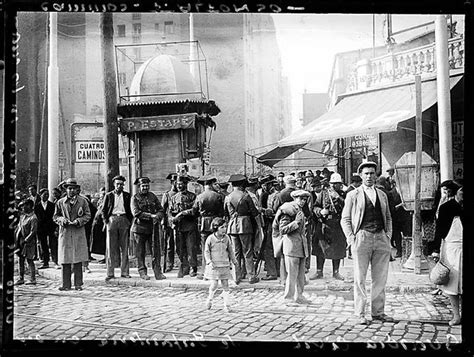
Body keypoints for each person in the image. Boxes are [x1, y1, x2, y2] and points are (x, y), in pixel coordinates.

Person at [340, 162, 393, 325]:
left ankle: (378, 312)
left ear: (376, 175)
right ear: (361, 176)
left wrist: (388, 236)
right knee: (360, 278)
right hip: (362, 237)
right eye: (366, 174)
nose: (369, 176)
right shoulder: (353, 195)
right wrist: (351, 237)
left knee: (380, 278)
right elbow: (345, 219)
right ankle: (360, 313)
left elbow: (388, 218)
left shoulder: (382, 194)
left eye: (372, 173)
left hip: (381, 238)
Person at [427, 180, 463, 326]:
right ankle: (456, 315)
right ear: (456, 192)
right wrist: (435, 250)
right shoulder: (446, 207)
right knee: (453, 283)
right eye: (462, 192)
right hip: (452, 249)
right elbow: (439, 230)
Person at [181, 175, 224, 279]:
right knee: (218, 247)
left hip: (204, 224)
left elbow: (194, 212)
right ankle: (218, 272)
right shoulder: (218, 196)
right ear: (211, 185)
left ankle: (206, 272)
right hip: (216, 223)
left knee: (206, 248)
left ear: (204, 186)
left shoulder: (199, 197)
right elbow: (222, 211)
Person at [53, 178, 91, 291]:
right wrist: (62, 220)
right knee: (65, 259)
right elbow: (55, 216)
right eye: (69, 188)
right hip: (65, 232)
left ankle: (78, 284)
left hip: (78, 232)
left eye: (73, 188)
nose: (71, 191)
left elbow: (88, 215)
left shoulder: (83, 201)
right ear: (66, 190)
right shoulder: (60, 202)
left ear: (77, 190)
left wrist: (79, 221)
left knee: (78, 258)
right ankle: (66, 284)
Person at [277, 190, 311, 305]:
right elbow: (282, 229)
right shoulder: (287, 210)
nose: (302, 201)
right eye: (300, 199)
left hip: (300, 245)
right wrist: (295, 222)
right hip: (291, 246)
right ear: (294, 198)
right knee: (291, 275)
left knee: (300, 275)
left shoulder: (299, 210)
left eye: (304, 200)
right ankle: (288, 297)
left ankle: (299, 296)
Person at [224, 174, 260, 284]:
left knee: (235, 252)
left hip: (232, 226)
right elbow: (254, 212)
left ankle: (236, 276)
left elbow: (225, 213)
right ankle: (251, 276)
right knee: (248, 252)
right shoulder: (246, 196)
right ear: (241, 185)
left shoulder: (228, 197)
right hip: (245, 225)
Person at [313, 173, 347, 280]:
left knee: (337, 249)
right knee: (320, 249)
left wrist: (338, 197)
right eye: (332, 184)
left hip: (337, 225)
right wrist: (320, 211)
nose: (334, 186)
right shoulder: (323, 193)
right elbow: (315, 207)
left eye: (336, 184)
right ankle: (319, 271)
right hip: (324, 224)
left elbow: (347, 206)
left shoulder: (343, 194)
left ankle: (336, 272)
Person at [131, 177, 165, 280]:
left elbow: (160, 209)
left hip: (152, 228)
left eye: (147, 186)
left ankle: (157, 272)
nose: (145, 188)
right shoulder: (135, 198)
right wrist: (151, 216)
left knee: (155, 251)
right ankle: (142, 272)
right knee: (140, 252)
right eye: (143, 186)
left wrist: (158, 216)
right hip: (139, 228)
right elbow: (136, 212)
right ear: (139, 187)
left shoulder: (152, 196)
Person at [102, 175, 133, 281]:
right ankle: (110, 273)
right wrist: (106, 221)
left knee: (125, 247)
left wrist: (129, 221)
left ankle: (125, 272)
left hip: (124, 219)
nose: (119, 186)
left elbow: (130, 209)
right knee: (110, 247)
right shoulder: (109, 195)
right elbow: (103, 210)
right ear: (114, 184)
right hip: (112, 220)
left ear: (124, 185)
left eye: (121, 184)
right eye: (117, 184)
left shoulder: (127, 196)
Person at [204, 218, 238, 312]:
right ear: (216, 228)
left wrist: (234, 260)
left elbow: (230, 250)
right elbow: (207, 251)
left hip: (224, 265)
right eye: (222, 227)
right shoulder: (210, 239)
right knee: (214, 284)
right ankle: (210, 299)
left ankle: (226, 304)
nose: (224, 229)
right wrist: (209, 261)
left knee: (225, 284)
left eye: (225, 227)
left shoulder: (227, 238)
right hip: (214, 266)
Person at [170, 175, 198, 278]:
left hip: (190, 225)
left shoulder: (192, 196)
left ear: (186, 184)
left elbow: (194, 211)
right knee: (180, 249)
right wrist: (171, 219)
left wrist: (182, 213)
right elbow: (170, 211)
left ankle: (192, 268)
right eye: (177, 184)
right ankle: (184, 267)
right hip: (178, 227)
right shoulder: (173, 198)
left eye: (181, 184)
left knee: (191, 248)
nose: (179, 186)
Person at [14, 199, 38, 285]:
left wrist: (26, 240)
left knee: (30, 260)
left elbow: (33, 231)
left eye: (25, 206)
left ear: (30, 206)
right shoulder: (23, 217)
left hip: (29, 243)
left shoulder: (33, 218)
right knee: (20, 259)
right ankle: (21, 278)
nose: (23, 208)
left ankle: (33, 279)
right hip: (20, 242)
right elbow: (19, 228)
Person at [34, 188, 57, 269]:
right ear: (40, 195)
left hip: (51, 228)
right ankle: (45, 262)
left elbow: (55, 217)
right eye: (44, 194)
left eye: (47, 194)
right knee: (43, 246)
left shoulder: (52, 205)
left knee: (53, 245)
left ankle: (55, 261)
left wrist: (55, 229)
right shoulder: (36, 206)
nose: (46, 196)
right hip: (41, 229)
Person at [161, 173, 179, 273]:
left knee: (180, 244)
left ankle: (182, 264)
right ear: (172, 183)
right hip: (169, 223)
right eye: (175, 182)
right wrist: (163, 222)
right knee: (169, 245)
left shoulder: (182, 194)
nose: (177, 184)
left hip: (180, 223)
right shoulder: (167, 195)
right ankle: (169, 264)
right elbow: (162, 210)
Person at [90, 187, 107, 264]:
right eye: (101, 194)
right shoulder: (99, 202)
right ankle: (103, 256)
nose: (102, 196)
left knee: (104, 241)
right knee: (98, 241)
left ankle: (106, 257)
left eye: (103, 194)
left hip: (103, 223)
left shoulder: (107, 201)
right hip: (97, 223)